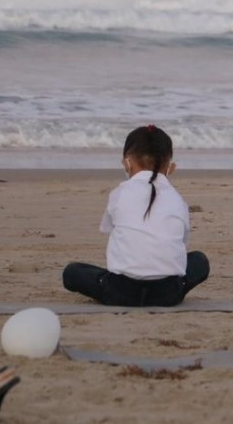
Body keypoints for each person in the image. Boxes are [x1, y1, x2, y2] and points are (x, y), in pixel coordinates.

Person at [62, 125, 210, 306]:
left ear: (127, 162)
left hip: (120, 292)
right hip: (167, 294)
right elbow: (181, 244)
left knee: (72, 272)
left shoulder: (119, 193)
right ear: (171, 167)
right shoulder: (178, 200)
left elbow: (108, 229)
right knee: (199, 261)